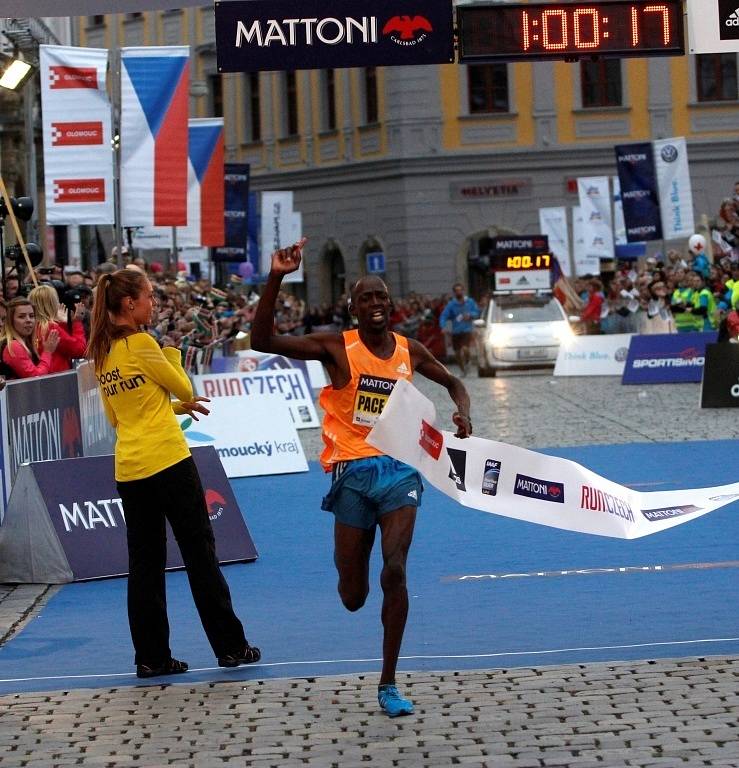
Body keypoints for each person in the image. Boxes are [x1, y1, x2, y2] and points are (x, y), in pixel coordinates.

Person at [251, 238, 472, 718]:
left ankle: (388, 681)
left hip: (399, 470)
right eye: (365, 298)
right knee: (353, 596)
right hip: (351, 474)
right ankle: (355, 584)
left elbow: (454, 381)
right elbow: (261, 342)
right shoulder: (336, 348)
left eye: (381, 297)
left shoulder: (408, 350)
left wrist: (463, 413)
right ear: (352, 308)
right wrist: (275, 277)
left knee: (395, 570)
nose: (375, 304)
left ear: (391, 306)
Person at [86, 269, 260, 679]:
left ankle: (152, 656)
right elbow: (181, 384)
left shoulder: (103, 354)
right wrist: (171, 355)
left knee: (144, 565)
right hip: (168, 460)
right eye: (148, 296)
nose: (153, 303)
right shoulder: (143, 344)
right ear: (129, 304)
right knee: (200, 554)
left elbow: (120, 415)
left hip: (130, 467)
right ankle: (231, 647)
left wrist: (175, 407)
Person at [28, 284, 87, 373]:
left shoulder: (34, 326)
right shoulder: (50, 327)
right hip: (56, 379)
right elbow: (79, 350)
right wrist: (77, 323)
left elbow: (63, 349)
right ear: (52, 304)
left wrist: (62, 324)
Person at [0, 297, 59, 379]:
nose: (28, 320)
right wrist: (47, 352)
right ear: (10, 321)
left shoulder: (27, 343)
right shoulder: (13, 346)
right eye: (21, 316)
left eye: (31, 316)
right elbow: (35, 377)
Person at [438, 283, 480, 376]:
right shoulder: (451, 304)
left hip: (467, 329)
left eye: (460, 290)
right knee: (457, 353)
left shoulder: (470, 302)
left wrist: (470, 315)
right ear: (454, 292)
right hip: (456, 331)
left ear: (463, 291)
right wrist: (443, 326)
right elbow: (444, 316)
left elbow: (477, 312)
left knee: (465, 348)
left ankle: (468, 361)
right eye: (456, 291)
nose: (458, 292)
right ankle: (462, 369)